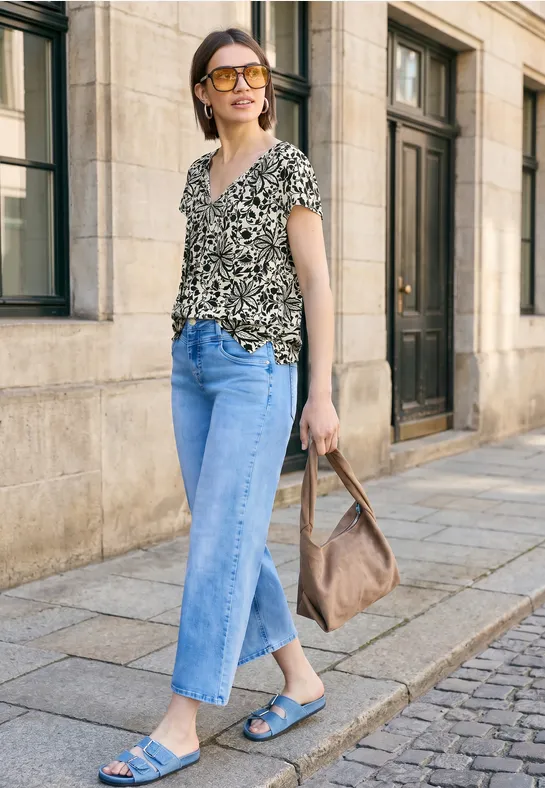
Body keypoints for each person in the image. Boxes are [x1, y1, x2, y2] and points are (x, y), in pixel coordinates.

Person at [99, 26, 339, 786]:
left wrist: (321, 392)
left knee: (216, 545)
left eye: (252, 71)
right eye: (222, 75)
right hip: (192, 365)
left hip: (256, 369)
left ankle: (181, 722)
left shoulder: (286, 166)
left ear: (265, 84)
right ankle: (301, 679)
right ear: (202, 93)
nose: (241, 83)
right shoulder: (199, 172)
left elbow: (316, 283)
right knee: (227, 531)